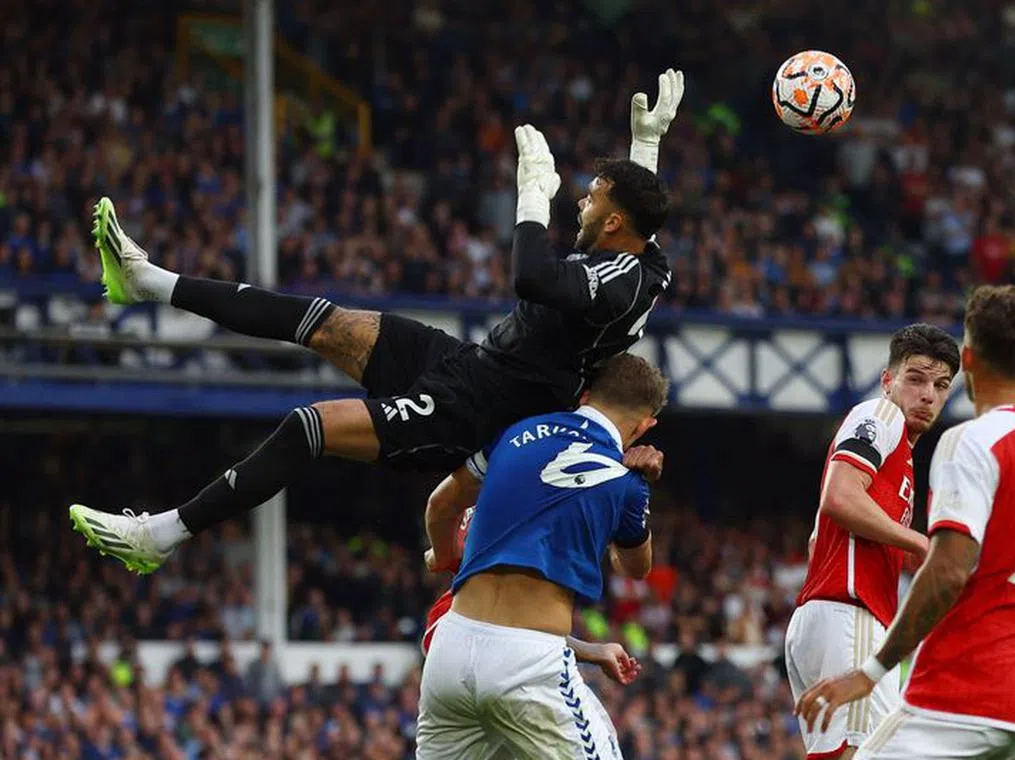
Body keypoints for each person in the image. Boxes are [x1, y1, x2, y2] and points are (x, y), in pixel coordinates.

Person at [68, 71, 685, 573]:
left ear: (611, 224)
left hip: (486, 409)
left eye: (594, 195)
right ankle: (146, 281)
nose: (582, 199)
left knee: (309, 425)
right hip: (473, 364)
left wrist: (530, 195)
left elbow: (530, 277)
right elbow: (639, 219)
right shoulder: (639, 258)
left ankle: (161, 535)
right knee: (328, 321)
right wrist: (648, 147)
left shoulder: (617, 278)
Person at [796, 285, 1015, 760]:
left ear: (968, 362)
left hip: (959, 698)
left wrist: (871, 671)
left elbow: (949, 570)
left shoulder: (971, 442)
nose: (929, 396)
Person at [415, 353, 668, 759]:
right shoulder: (625, 481)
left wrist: (445, 555)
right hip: (527, 665)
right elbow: (635, 567)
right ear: (645, 425)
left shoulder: (515, 434)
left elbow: (440, 504)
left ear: (585, 395)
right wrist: (638, 490)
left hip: (449, 652)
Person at [786, 323, 959, 760]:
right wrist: (921, 545)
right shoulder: (882, 417)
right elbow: (839, 498)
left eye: (941, 385)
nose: (929, 395)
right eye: (916, 378)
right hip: (851, 615)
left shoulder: (899, 451)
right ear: (888, 380)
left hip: (832, 617)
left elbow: (815, 540)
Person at [420, 505, 643, 760]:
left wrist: (594, 651)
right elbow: (510, 637)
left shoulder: (451, 620)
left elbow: (513, 632)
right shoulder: (454, 619)